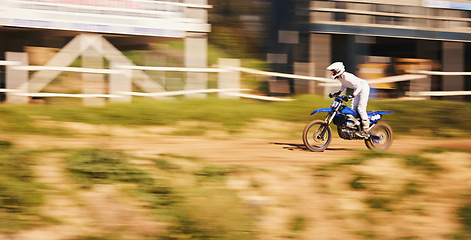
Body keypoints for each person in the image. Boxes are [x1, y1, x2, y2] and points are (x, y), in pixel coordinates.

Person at [326, 62, 370, 138]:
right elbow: (344, 84)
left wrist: (352, 96)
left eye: (333, 71)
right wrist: (338, 92)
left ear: (338, 70)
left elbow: (359, 86)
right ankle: (356, 126)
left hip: (363, 87)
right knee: (353, 107)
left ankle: (366, 130)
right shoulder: (341, 77)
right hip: (357, 89)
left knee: (361, 108)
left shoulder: (347, 76)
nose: (332, 73)